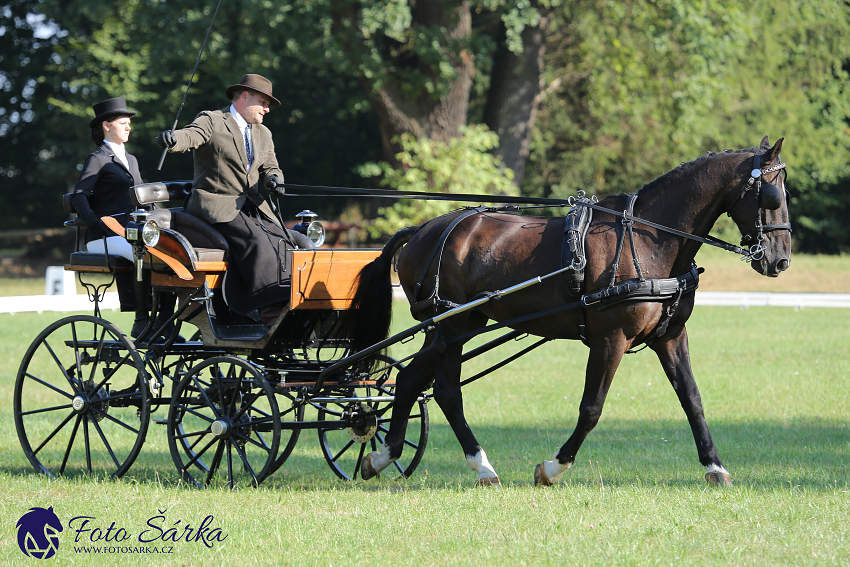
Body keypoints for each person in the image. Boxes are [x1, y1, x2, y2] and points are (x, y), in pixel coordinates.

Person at [157, 74, 312, 327]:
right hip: (215, 206)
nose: (267, 109)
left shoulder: (263, 133)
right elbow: (190, 136)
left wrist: (273, 179)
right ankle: (267, 311)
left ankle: (289, 301)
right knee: (257, 242)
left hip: (250, 207)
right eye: (263, 102)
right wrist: (173, 140)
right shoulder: (213, 120)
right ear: (243, 97)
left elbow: (271, 166)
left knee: (285, 240)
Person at [71, 97, 176, 340]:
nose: (129, 127)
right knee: (143, 252)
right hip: (103, 236)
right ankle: (141, 321)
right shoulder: (97, 159)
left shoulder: (132, 161)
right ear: (107, 126)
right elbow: (79, 196)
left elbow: (139, 198)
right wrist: (97, 224)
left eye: (129, 123)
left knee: (171, 252)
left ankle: (164, 323)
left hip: (132, 233)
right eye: (124, 122)